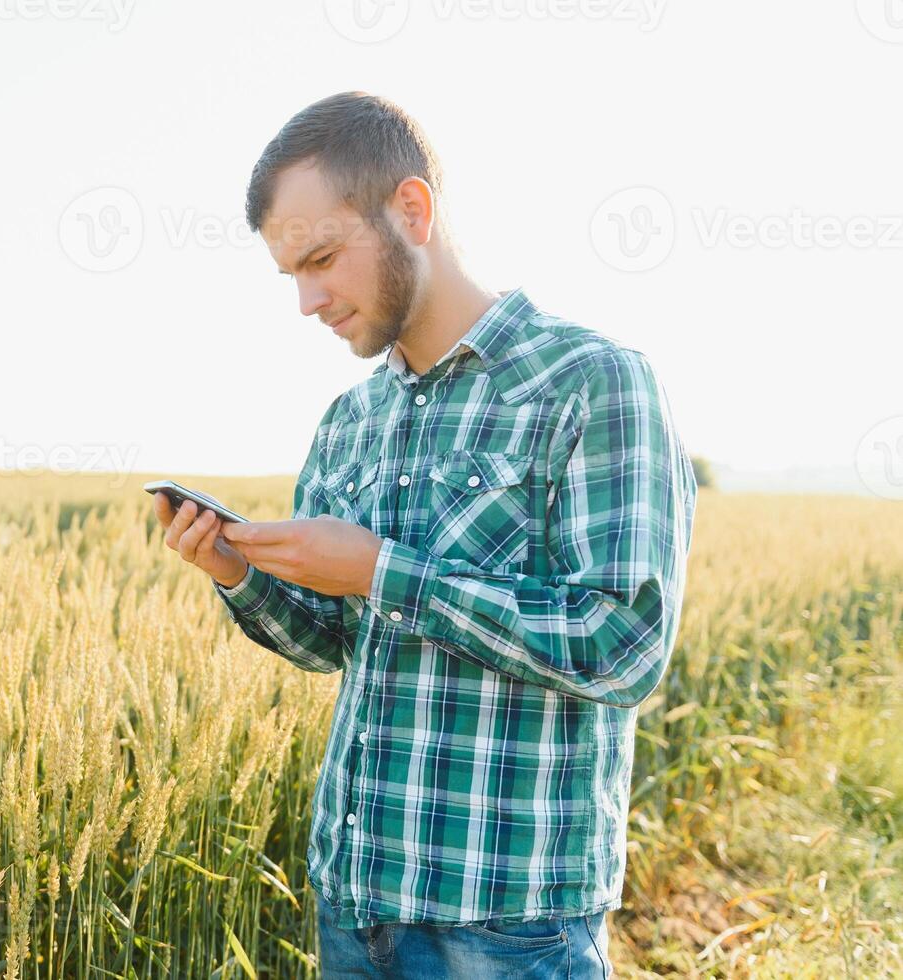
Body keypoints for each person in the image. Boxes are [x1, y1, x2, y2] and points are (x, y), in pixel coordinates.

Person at [151, 91, 697, 979]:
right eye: (291, 273)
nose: (307, 300)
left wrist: (383, 571)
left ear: (412, 210)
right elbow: (335, 641)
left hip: (508, 926)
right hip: (355, 904)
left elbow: (623, 646)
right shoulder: (349, 422)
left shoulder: (592, 384)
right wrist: (236, 570)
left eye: (322, 259)